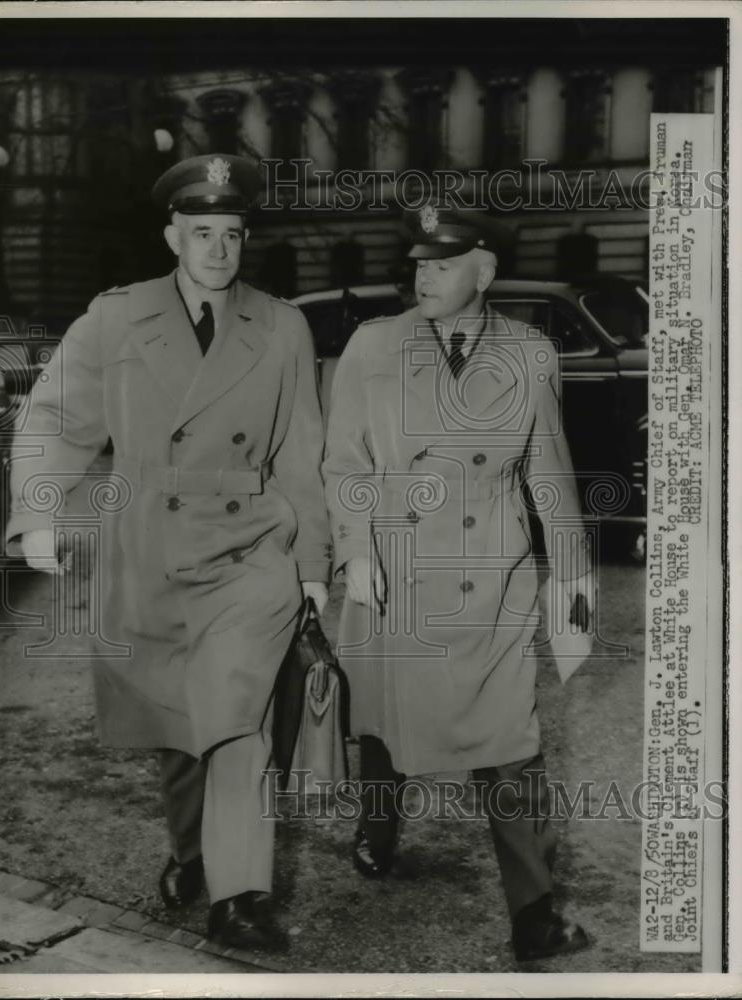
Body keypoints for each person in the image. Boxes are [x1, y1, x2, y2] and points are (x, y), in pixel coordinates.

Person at [7, 154, 331, 951]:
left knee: (237, 719)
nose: (218, 250)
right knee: (182, 726)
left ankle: (241, 894)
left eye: (231, 234)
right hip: (148, 547)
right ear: (172, 235)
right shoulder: (116, 318)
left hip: (250, 545)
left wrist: (315, 567)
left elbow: (301, 455)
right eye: (201, 233)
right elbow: (56, 417)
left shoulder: (282, 324)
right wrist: (40, 511)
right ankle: (195, 855)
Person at [322, 202, 594, 962]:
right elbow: (343, 463)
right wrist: (355, 552)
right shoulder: (372, 346)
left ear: (485, 270)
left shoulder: (532, 352)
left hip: (490, 573)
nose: (423, 276)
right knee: (381, 726)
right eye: (416, 263)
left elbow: (549, 472)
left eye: (442, 264)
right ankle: (378, 827)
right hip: (393, 566)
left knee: (511, 742)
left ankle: (534, 913)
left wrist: (568, 580)